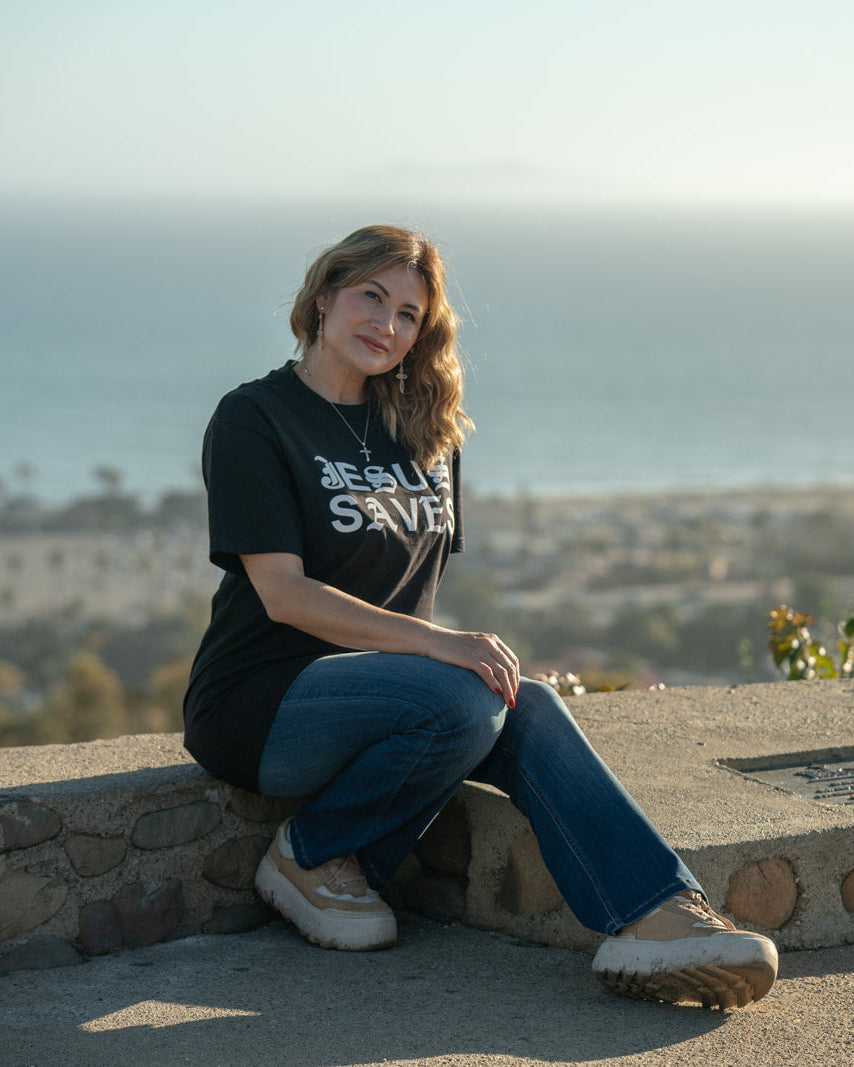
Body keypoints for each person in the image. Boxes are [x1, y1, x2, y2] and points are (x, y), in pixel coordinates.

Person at [183, 224, 778, 1009]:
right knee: (467, 689)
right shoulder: (257, 417)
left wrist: (452, 656)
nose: (387, 326)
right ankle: (315, 853)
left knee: (523, 698)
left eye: (408, 315)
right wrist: (443, 648)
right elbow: (285, 595)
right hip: (261, 702)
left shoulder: (422, 434)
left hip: (384, 698)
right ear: (324, 295)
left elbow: (410, 595)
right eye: (371, 297)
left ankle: (654, 917)